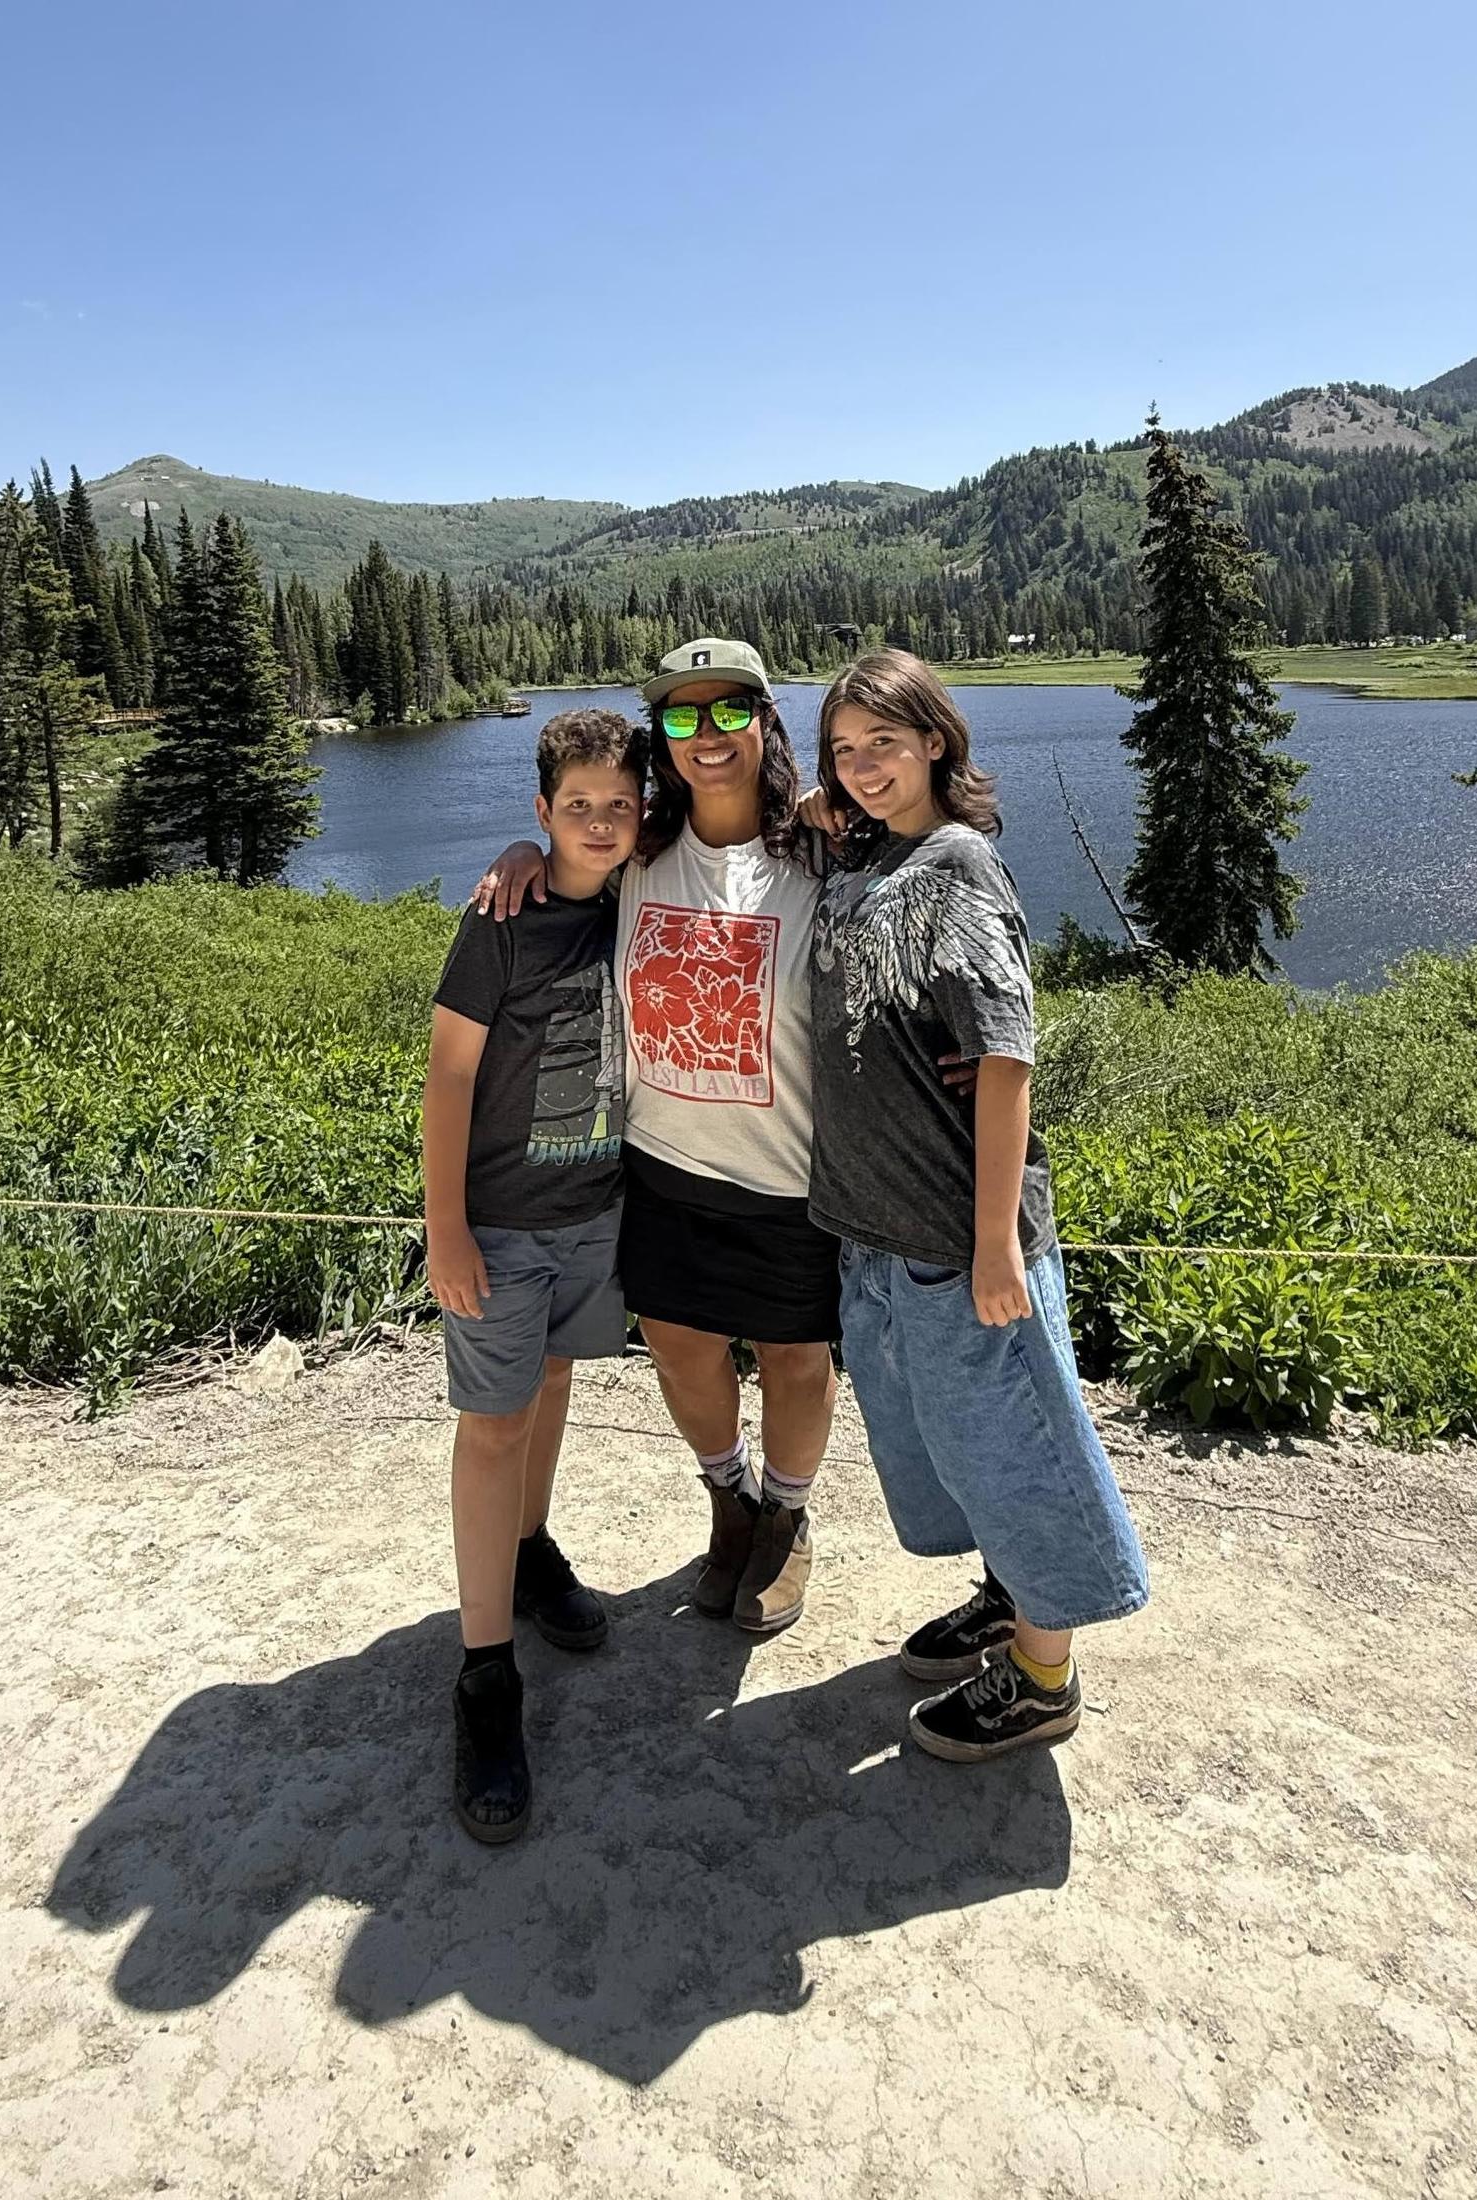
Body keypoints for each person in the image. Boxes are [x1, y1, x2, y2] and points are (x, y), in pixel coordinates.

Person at [808, 649, 1148, 1761]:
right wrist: (825, 803)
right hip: (887, 1234)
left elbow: (1007, 1055)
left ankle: (1045, 1678)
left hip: (962, 1240)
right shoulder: (873, 849)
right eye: (845, 750)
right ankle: (1009, 1600)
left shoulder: (955, 867)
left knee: (1016, 1452)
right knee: (964, 1448)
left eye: (885, 746)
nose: (862, 769)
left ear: (939, 744)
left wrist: (997, 1243)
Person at [475, 640, 839, 1637]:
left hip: (790, 1177)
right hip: (664, 1170)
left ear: (766, 720)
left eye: (728, 711)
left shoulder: (819, 855)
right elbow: (564, 858)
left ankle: (788, 1514)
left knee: (797, 1362)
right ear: (662, 741)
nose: (707, 734)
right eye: (682, 718)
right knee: (683, 1355)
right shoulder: (636, 856)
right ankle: (730, 1502)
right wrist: (522, 852)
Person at [423, 707, 648, 1842]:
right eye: (576, 807)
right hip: (503, 1226)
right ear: (541, 811)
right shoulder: (497, 922)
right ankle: (484, 1674)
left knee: (553, 1387)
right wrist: (446, 1226)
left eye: (618, 805)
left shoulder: (639, 900)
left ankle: (528, 1547)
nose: (599, 824)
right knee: (493, 1424)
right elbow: (449, 1078)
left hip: (594, 1216)